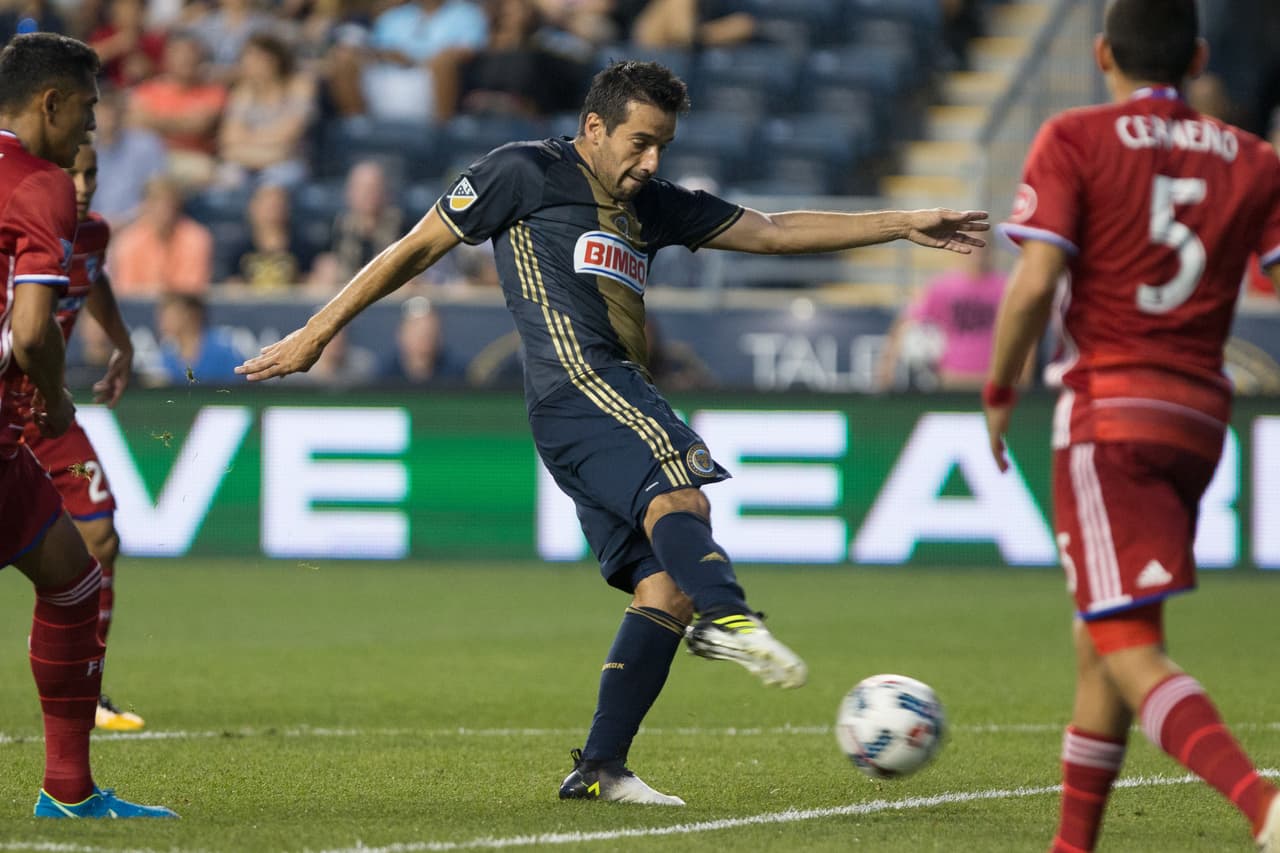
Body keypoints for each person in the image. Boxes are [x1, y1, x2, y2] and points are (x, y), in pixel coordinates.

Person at [238, 59, 987, 805]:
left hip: (595, 400)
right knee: (682, 499)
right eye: (640, 141)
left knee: (665, 584)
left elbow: (773, 232)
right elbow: (413, 249)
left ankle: (601, 767)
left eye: (663, 145)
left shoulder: (651, 204)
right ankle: (731, 616)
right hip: (578, 381)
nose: (651, 160)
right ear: (594, 128)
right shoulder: (520, 172)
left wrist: (902, 222)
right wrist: (315, 331)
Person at [981, 2, 1280, 851]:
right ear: (1198, 56)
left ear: (1100, 52)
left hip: (1109, 410)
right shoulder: (1256, 158)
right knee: (1101, 637)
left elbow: (1037, 282)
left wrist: (1000, 388)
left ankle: (1263, 806)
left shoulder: (1074, 136)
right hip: (1200, 417)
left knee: (1125, 640)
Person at [0, 32, 175, 819]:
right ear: (51, 101)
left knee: (76, 575)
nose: (90, 131)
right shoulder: (40, 185)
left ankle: (70, 789)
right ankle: (68, 788)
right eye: (88, 111)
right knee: (76, 583)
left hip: (10, 454)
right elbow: (36, 332)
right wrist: (57, 398)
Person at [21, 142, 146, 733]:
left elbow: (93, 282)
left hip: (48, 415)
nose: (83, 183)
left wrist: (120, 343)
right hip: (10, 410)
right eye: (72, 171)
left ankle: (88, 690)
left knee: (100, 537)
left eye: (92, 172)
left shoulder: (93, 234)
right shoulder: (19, 222)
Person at [877, 242, 1008, 391]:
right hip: (950, 379)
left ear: (991, 249)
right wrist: (887, 365)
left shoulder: (1005, 287)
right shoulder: (943, 286)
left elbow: (1023, 330)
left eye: (982, 246)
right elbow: (907, 320)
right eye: (974, 245)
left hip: (994, 380)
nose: (978, 252)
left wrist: (1022, 375)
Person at [215, 33, 316, 191]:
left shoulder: (299, 85)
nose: (248, 63)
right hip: (256, 160)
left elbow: (290, 133)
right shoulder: (243, 92)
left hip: (287, 164)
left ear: (273, 60)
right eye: (246, 58)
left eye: (256, 57)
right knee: (225, 180)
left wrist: (246, 143)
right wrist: (271, 150)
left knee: (276, 184)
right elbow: (229, 138)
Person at [109, 174, 214, 295]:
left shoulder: (197, 238)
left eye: (169, 204)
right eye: (156, 203)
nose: (164, 211)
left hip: (182, 309)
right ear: (145, 206)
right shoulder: (128, 242)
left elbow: (192, 289)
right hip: (138, 310)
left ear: (178, 206)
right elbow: (127, 292)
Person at [148, 293, 245, 386]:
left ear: (191, 315)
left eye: (169, 315)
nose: (162, 322)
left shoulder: (223, 350)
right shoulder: (167, 354)